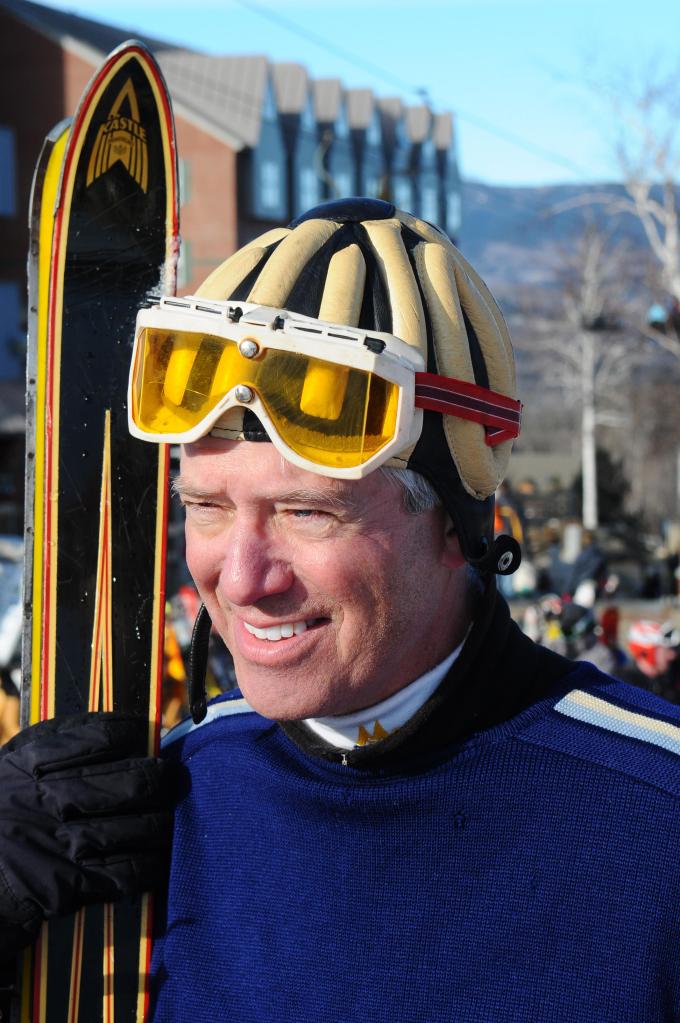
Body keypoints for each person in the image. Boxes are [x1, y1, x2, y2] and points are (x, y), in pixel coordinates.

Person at [1, 199, 679, 1021]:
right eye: (206, 506)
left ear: (462, 526)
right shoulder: (158, 800)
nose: (243, 577)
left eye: (305, 511)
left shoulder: (649, 814)